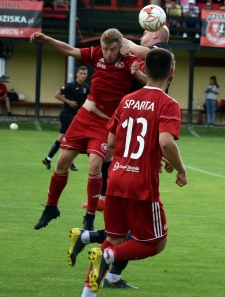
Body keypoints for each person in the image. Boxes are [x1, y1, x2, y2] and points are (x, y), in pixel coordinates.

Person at [81, 48, 187, 297]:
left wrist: (152, 156)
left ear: (145, 70)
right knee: (155, 242)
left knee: (115, 238)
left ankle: (88, 293)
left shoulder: (127, 100)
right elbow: (166, 142)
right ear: (171, 72)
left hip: (116, 178)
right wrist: (181, 169)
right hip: (141, 186)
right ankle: (108, 255)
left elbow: (113, 141)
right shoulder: (168, 104)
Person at [30, 29, 145, 232]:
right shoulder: (96, 54)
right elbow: (69, 50)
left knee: (94, 166)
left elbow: (153, 81)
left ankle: (89, 217)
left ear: (121, 47)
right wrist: (46, 39)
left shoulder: (129, 61)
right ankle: (51, 207)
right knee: (62, 162)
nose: (108, 53)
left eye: (113, 50)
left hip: (105, 123)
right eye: (106, 49)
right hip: (83, 117)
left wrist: (137, 72)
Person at [42, 66, 89, 171]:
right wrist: (69, 102)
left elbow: (88, 100)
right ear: (77, 74)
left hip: (75, 115)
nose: (83, 76)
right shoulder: (70, 85)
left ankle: (48, 158)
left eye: (85, 74)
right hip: (66, 114)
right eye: (81, 73)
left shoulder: (86, 87)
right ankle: (70, 162)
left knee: (61, 138)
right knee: (72, 137)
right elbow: (57, 95)